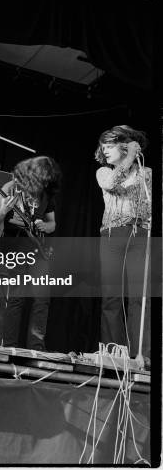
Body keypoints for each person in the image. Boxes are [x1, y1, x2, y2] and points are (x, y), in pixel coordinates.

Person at [0, 155, 61, 350]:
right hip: (15, 247)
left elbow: (52, 223)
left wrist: (45, 226)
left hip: (39, 248)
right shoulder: (10, 187)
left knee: (42, 298)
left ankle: (37, 347)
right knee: (17, 297)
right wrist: (4, 211)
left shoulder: (46, 194)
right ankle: (10, 345)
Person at [95, 125, 151, 360]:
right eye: (103, 147)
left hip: (141, 233)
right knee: (112, 296)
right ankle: (112, 352)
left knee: (141, 297)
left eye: (110, 146)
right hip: (112, 235)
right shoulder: (103, 172)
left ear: (124, 145)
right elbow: (111, 185)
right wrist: (128, 158)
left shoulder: (146, 172)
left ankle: (142, 354)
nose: (105, 151)